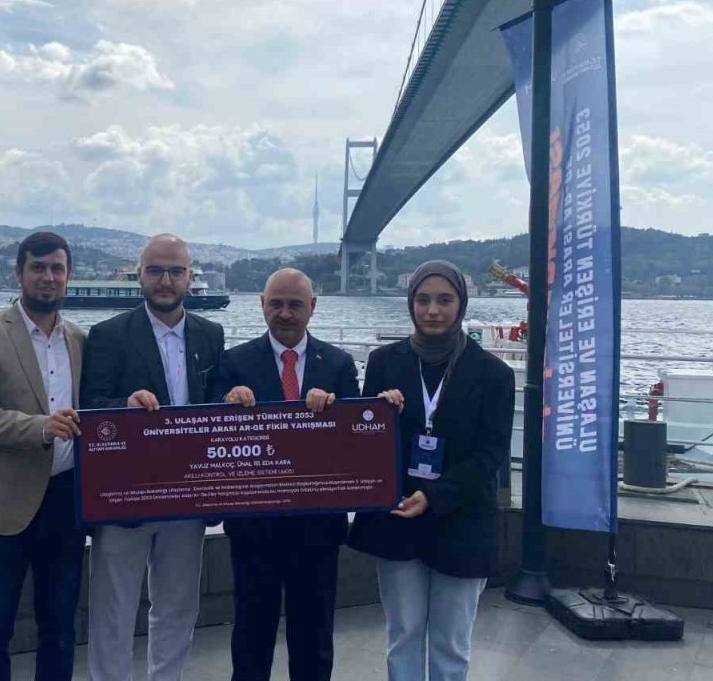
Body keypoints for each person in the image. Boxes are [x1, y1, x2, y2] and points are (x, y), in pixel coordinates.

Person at [346, 260, 515, 681]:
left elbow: (491, 454)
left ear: (461, 304)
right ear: (410, 303)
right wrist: (378, 413)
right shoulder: (384, 362)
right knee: (402, 634)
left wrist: (435, 495)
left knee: (451, 643)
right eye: (422, 300)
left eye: (444, 300)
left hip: (462, 521)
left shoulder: (494, 374)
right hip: (399, 516)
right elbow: (366, 443)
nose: (433, 310)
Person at [80, 233, 226, 681]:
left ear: (190, 277)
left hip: (188, 493)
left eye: (176, 271)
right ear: (140, 275)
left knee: (178, 606)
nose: (166, 281)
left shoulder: (211, 334)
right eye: (156, 271)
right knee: (113, 608)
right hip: (126, 494)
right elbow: (89, 406)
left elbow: (216, 404)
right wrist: (123, 406)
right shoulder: (107, 335)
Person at [211, 268, 359, 681]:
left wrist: (335, 412)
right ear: (262, 305)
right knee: (250, 637)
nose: (285, 313)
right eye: (276, 304)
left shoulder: (339, 364)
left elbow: (356, 443)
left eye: (295, 304)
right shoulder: (234, 362)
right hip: (253, 527)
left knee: (314, 639)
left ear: (313, 306)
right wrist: (227, 402)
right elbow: (211, 436)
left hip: (318, 528)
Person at [0, 231, 87, 681]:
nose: (48, 277)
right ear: (19, 272)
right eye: (38, 267)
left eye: (57, 268)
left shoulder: (80, 339)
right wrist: (42, 428)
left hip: (65, 504)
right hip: (2, 505)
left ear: (68, 276)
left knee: (61, 630)